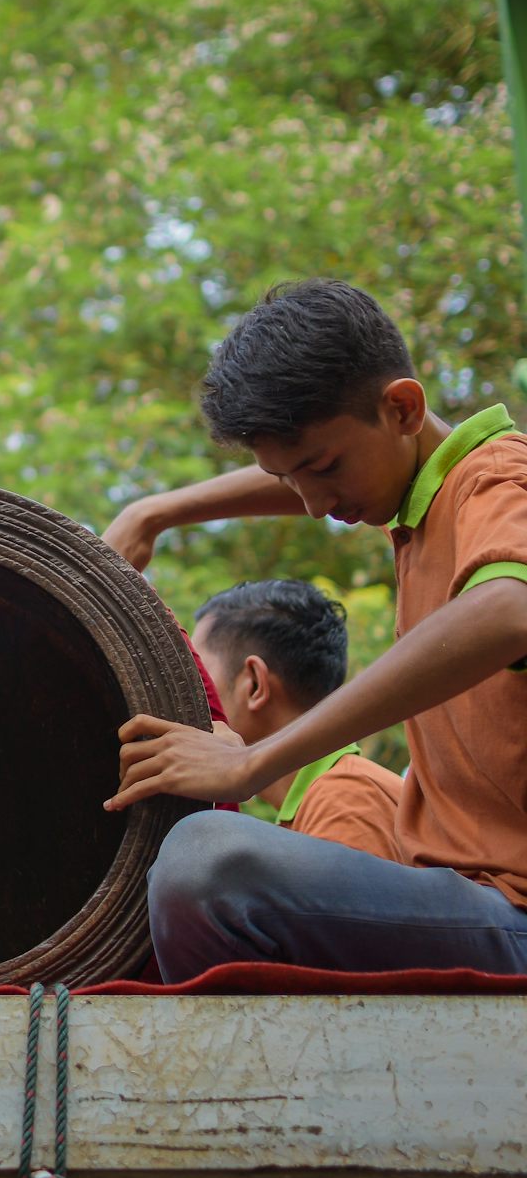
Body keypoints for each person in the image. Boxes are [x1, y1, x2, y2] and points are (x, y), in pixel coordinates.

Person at [100, 278, 527, 981]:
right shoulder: (418, 501)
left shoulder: (498, 479)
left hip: (512, 916)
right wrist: (158, 511)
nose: (314, 503)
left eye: (324, 469)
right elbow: (308, 474)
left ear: (402, 408)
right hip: (469, 903)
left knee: (207, 863)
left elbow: (510, 608)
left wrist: (251, 763)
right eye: (290, 479)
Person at [191, 579, 401, 859]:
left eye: (198, 675)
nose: (189, 691)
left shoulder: (344, 799)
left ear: (254, 685)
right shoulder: (319, 801)